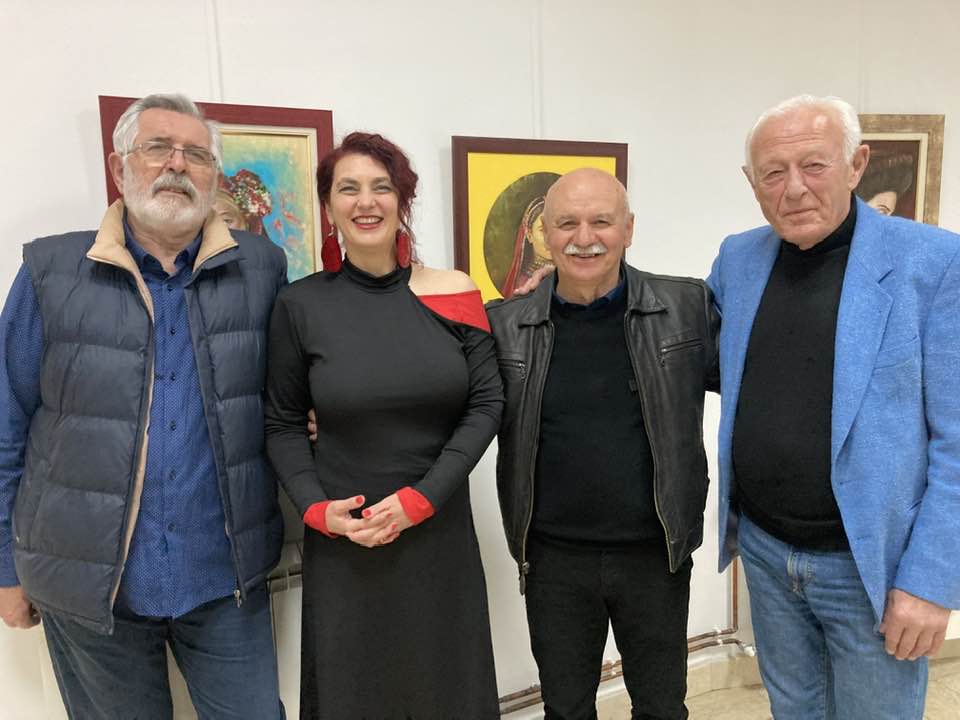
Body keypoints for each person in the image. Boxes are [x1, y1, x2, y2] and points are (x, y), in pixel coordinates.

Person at [0, 94, 287, 718]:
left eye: (196, 155)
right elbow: (6, 424)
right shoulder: (51, 271)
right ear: (119, 165)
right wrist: (5, 568)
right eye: (157, 148)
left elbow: (282, 395)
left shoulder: (262, 269)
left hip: (225, 579)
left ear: (213, 176)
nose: (176, 165)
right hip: (90, 586)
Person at [709, 94, 960, 719]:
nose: (793, 188)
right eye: (773, 172)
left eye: (814, 165)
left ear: (857, 164)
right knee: (794, 709)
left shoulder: (934, 264)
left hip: (871, 568)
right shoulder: (738, 259)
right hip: (767, 553)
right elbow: (679, 341)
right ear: (751, 182)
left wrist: (930, 582)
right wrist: (572, 287)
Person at [264, 131, 504, 719]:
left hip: (437, 533)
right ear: (328, 207)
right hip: (345, 543)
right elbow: (282, 422)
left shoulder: (454, 292)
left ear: (402, 201)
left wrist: (422, 500)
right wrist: (316, 510)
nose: (366, 201)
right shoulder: (300, 306)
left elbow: (487, 403)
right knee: (355, 696)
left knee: (446, 691)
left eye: (381, 187)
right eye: (348, 188)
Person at [487, 167, 719, 720]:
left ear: (628, 228)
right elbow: (448, 402)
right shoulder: (505, 324)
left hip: (655, 555)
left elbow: (759, 380)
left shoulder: (685, 306)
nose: (584, 237)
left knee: (661, 708)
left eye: (601, 221)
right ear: (545, 233)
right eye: (567, 223)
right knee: (566, 710)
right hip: (553, 560)